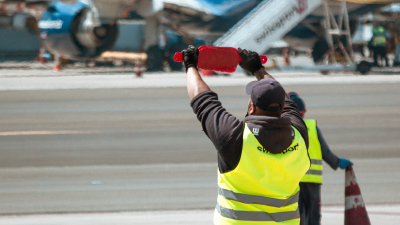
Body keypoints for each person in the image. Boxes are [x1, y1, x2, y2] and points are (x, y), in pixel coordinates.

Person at [182, 45, 311, 225]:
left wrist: (190, 65)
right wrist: (259, 69)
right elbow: (288, 103)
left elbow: (202, 99)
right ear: (282, 108)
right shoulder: (299, 135)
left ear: (251, 107)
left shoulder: (236, 138)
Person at [287, 92, 353, 225]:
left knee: (295, 215)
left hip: (293, 181)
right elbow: (325, 152)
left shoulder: (286, 129)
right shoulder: (312, 127)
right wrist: (337, 162)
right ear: (304, 111)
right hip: (312, 181)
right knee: (313, 214)